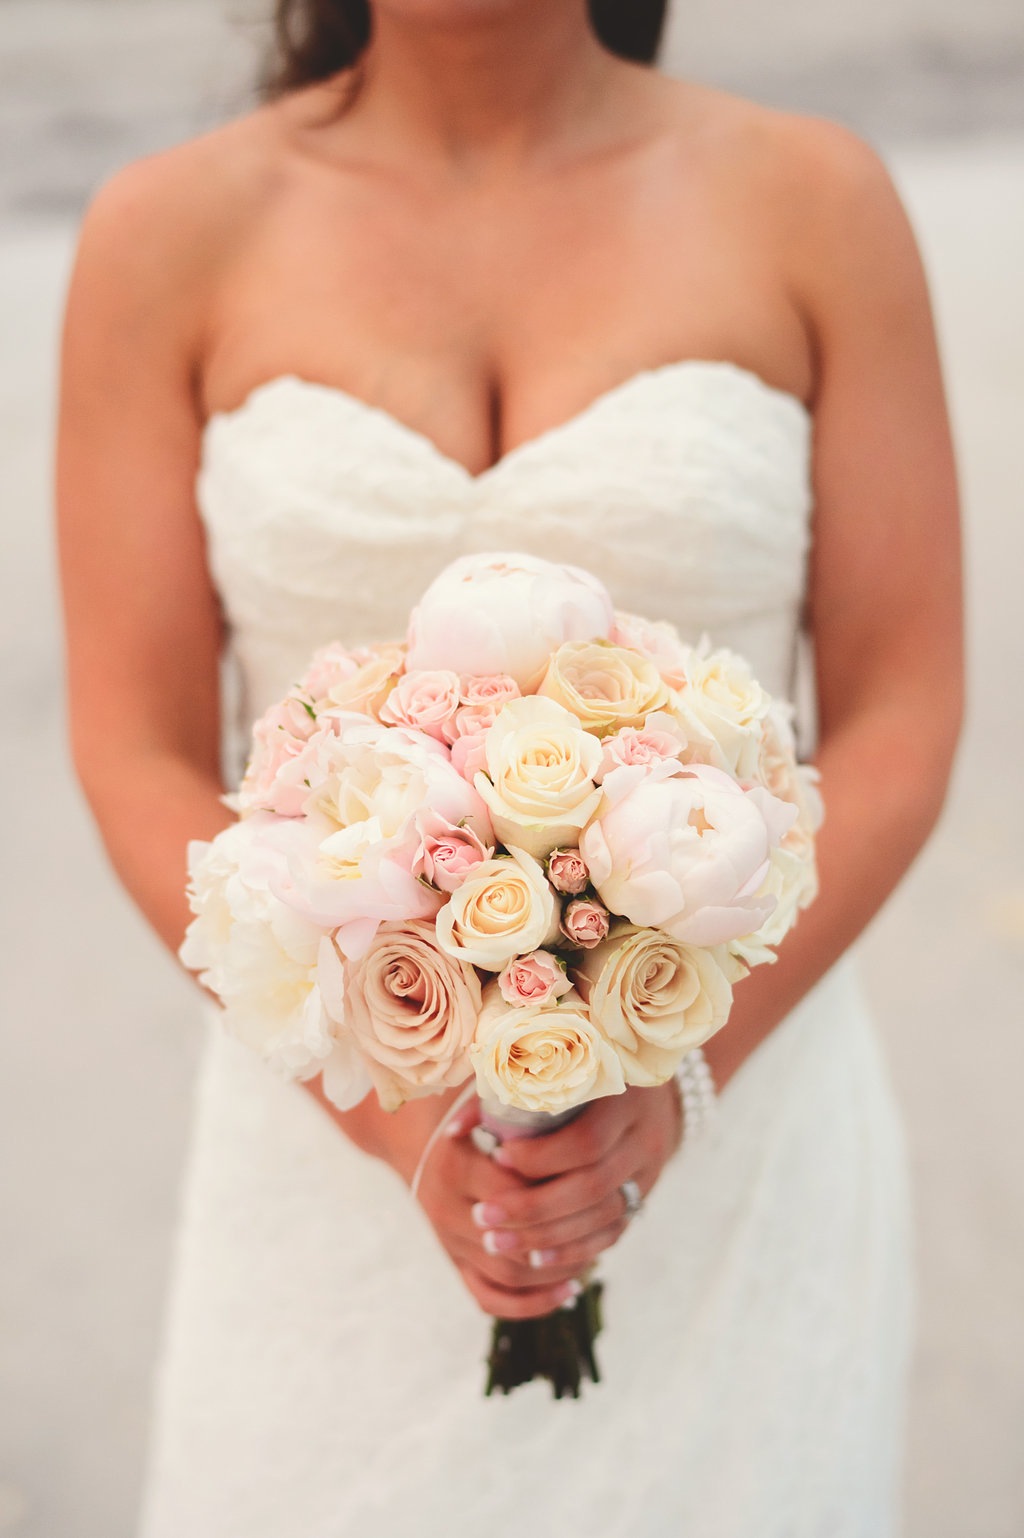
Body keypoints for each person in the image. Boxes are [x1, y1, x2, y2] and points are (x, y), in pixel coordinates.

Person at [55, 0, 963, 1533]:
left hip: (741, 1130)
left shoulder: (816, 202)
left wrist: (673, 1082)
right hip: (328, 1151)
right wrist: (401, 1123)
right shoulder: (168, 231)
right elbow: (136, 747)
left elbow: (899, 710)